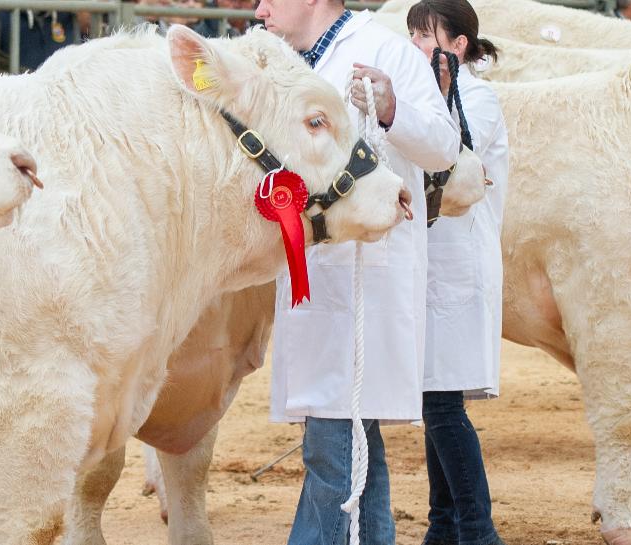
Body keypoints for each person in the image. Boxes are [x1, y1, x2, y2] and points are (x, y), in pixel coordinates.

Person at [255, 0, 460, 542]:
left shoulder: (388, 50)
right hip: (315, 274)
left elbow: (443, 148)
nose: (259, 8)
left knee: (333, 447)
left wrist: (392, 110)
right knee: (353, 441)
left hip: (366, 276)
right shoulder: (283, 63)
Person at [406, 1, 508, 544]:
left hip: (459, 265)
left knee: (441, 404)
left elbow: (449, 155)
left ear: (458, 45)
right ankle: (443, 528)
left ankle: (476, 530)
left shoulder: (478, 98)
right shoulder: (431, 97)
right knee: (435, 398)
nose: (416, 47)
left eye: (425, 37)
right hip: (432, 264)